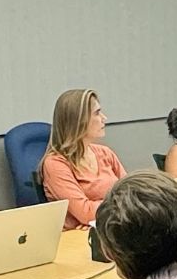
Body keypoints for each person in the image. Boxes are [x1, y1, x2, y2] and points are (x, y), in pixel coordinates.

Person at [38, 88, 127, 229]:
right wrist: (119, 206)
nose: (104, 118)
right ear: (78, 121)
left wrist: (100, 214)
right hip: (77, 238)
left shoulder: (106, 153)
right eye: (97, 113)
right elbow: (85, 213)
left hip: (112, 229)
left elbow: (133, 195)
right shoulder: (55, 164)